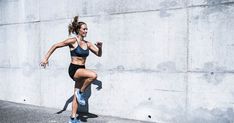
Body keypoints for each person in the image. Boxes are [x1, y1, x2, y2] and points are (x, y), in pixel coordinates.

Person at [40, 16, 102, 123]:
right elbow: (56, 45)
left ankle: (73, 118)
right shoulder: (73, 41)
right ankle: (81, 93)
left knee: (75, 96)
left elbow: (98, 54)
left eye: (87, 29)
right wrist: (46, 58)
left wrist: (100, 47)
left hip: (82, 69)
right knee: (93, 75)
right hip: (74, 69)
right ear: (79, 30)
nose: (86, 31)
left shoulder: (88, 43)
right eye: (84, 29)